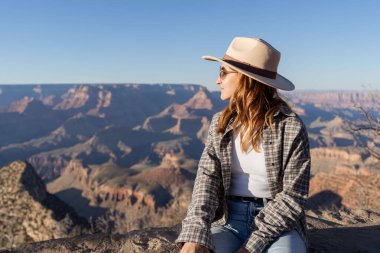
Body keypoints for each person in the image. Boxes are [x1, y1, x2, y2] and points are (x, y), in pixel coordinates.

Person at [175, 37, 311, 253]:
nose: (217, 80)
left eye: (222, 72)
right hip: (232, 222)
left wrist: (252, 246)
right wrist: (195, 232)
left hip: (279, 226)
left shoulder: (290, 127)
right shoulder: (219, 123)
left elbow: (293, 196)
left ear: (246, 79)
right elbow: (206, 178)